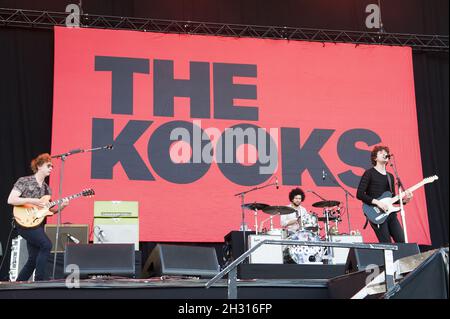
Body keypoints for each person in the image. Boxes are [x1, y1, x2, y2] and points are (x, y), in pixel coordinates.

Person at [7, 153, 68, 281]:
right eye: (48, 165)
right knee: (46, 245)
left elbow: (47, 210)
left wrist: (61, 207)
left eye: (52, 166)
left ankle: (18, 284)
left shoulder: (47, 190)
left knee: (33, 259)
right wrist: (33, 201)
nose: (51, 168)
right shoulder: (24, 181)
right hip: (23, 221)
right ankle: (40, 280)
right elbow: (11, 200)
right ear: (39, 166)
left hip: (35, 223)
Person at [356, 145, 412, 243]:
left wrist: (405, 200)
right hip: (376, 213)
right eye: (381, 152)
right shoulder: (369, 173)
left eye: (385, 152)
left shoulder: (390, 176)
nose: (384, 154)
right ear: (375, 158)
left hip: (390, 214)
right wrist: (377, 203)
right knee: (387, 245)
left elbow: (392, 198)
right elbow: (359, 194)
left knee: (402, 242)